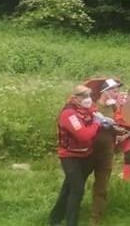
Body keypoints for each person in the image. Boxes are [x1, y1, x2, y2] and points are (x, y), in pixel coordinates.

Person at [48, 85, 105, 226]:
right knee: (78, 189)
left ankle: (55, 218)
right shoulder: (69, 114)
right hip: (69, 156)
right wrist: (97, 123)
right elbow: (84, 135)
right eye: (84, 97)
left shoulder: (87, 110)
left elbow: (94, 117)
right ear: (75, 98)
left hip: (85, 155)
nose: (88, 100)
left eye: (89, 96)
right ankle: (72, 222)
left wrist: (103, 120)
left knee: (69, 187)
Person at [90, 78, 122, 226]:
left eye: (118, 91)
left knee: (102, 183)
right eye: (115, 91)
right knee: (77, 182)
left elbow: (128, 121)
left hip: (107, 150)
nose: (117, 93)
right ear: (106, 92)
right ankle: (69, 210)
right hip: (89, 151)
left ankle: (95, 217)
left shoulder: (116, 108)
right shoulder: (92, 106)